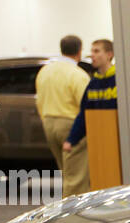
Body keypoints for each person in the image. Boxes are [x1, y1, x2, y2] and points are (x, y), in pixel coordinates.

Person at [61, 38, 116, 195]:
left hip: (116, 143)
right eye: (91, 51)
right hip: (98, 144)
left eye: (97, 51)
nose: (92, 55)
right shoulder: (93, 84)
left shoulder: (119, 80)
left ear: (109, 54)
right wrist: (72, 139)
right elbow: (84, 114)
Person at [34, 35, 89, 190]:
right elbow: (85, 105)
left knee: (65, 172)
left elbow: (39, 100)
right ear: (79, 51)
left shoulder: (45, 71)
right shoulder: (77, 74)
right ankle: (72, 212)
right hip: (70, 125)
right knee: (76, 178)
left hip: (48, 123)